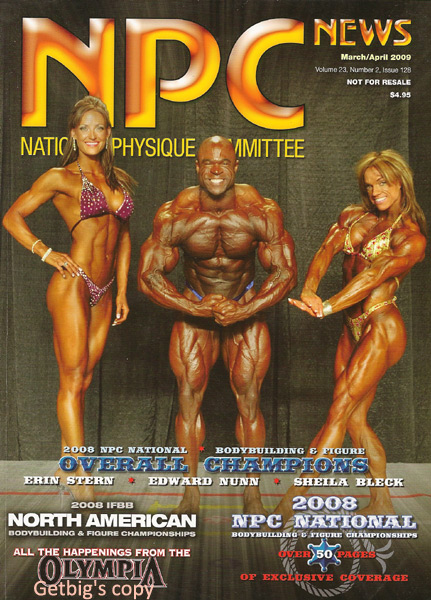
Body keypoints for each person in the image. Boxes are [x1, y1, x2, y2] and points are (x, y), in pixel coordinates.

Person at [138, 135, 297, 514]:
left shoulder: (260, 210)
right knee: (188, 399)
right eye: (207, 162)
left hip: (245, 305)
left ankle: (252, 493)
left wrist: (247, 309)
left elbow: (285, 272)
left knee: (250, 401)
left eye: (223, 162)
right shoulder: (175, 214)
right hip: (196, 304)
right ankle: (190, 493)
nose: (215, 169)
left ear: (235, 166)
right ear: (197, 167)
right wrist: (191, 307)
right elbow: (148, 275)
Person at [274, 149, 426, 521]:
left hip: (381, 325)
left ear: (401, 182)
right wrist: (310, 290)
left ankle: (289, 505)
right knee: (354, 419)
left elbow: (373, 276)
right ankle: (382, 501)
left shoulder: (410, 237)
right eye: (369, 185)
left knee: (339, 410)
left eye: (383, 183)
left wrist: (327, 306)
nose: (375, 192)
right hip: (351, 325)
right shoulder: (353, 216)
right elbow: (327, 249)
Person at [3, 96, 135, 501]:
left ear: (108, 133)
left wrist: (122, 290)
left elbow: (124, 238)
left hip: (105, 291)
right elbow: (11, 216)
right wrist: (45, 252)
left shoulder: (117, 180)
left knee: (84, 380)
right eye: (84, 128)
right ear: (73, 133)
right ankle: (81, 478)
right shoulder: (60, 177)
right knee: (73, 379)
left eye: (100, 127)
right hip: (73, 284)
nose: (92, 134)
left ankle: (67, 467)